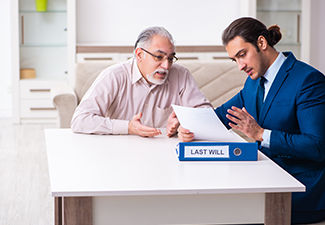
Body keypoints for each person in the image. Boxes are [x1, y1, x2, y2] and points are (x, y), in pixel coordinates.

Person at [178, 17, 325, 224]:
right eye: (235, 60)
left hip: (301, 189)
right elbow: (220, 117)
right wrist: (185, 124)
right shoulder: (253, 82)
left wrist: (261, 134)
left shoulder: (308, 80)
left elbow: (317, 146)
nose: (240, 66)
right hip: (266, 178)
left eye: (242, 55)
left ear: (262, 43)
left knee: (225, 212)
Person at [71, 26, 212, 137]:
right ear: (139, 54)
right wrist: (128, 127)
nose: (166, 66)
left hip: (165, 153)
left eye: (170, 58)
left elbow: (206, 114)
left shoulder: (181, 75)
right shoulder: (114, 76)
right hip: (119, 153)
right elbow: (80, 120)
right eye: (158, 57)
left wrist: (183, 123)